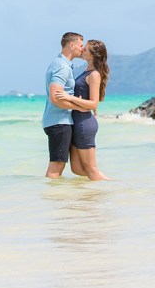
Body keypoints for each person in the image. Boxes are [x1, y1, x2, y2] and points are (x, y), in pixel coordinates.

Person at [57, 38, 110, 182]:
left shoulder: (94, 75)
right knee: (77, 169)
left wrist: (70, 97)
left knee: (91, 169)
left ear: (92, 55)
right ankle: (108, 183)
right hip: (77, 122)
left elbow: (93, 104)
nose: (82, 50)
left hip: (84, 124)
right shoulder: (86, 71)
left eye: (85, 49)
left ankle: (102, 193)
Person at [42, 32, 85, 179]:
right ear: (71, 46)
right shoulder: (62, 66)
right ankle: (52, 194)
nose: (82, 49)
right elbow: (55, 97)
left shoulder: (63, 64)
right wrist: (79, 106)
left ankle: (56, 193)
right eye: (80, 45)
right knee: (57, 166)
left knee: (59, 165)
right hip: (59, 121)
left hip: (59, 121)